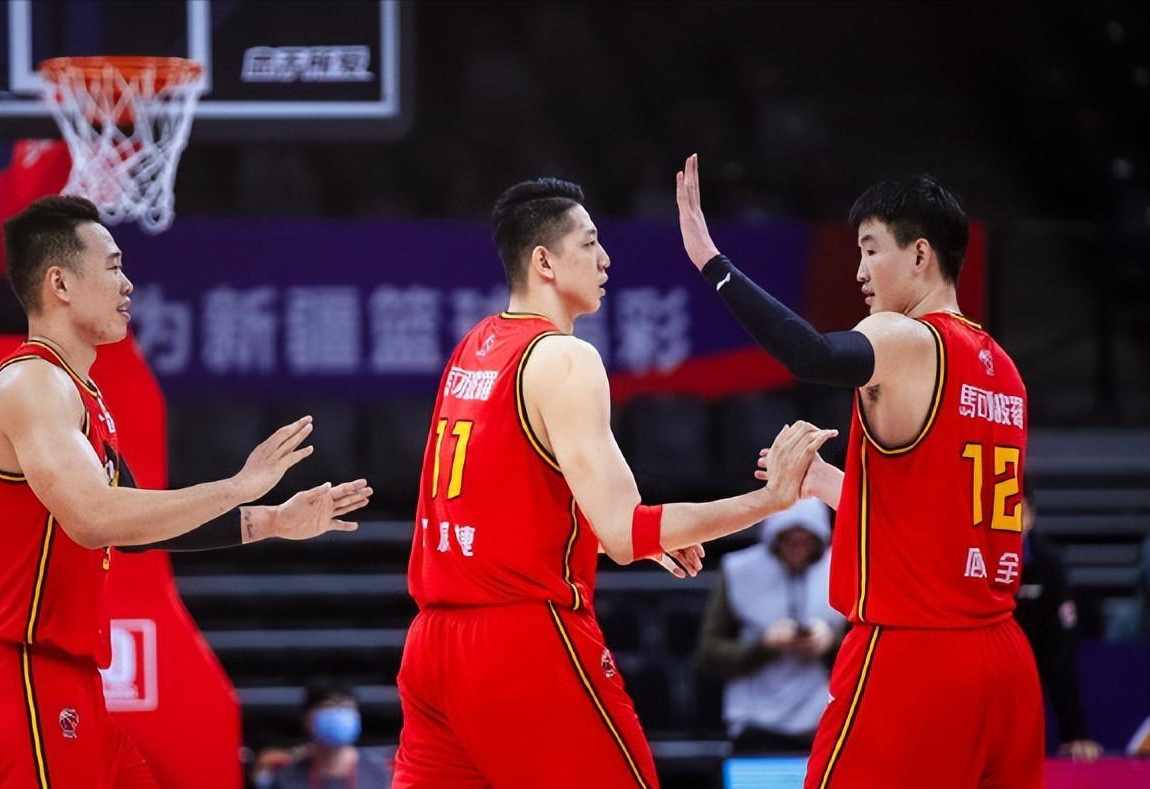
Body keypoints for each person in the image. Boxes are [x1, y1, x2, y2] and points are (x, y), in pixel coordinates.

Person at [392, 177, 837, 788]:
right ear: (544, 261)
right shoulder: (565, 358)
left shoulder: (474, 347)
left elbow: (504, 508)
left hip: (432, 646)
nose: (605, 259)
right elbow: (627, 532)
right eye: (590, 243)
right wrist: (770, 498)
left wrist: (617, 535)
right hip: (520, 640)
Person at [0, 196, 373, 788]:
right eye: (113, 266)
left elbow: (137, 530)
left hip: (67, 679)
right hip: (20, 674)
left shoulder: (79, 393)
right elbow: (94, 519)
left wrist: (270, 520)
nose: (128, 284)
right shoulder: (33, 384)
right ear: (60, 283)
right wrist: (237, 486)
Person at [676, 154, 1045, 788]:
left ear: (921, 254)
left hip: (915, 652)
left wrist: (712, 262)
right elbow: (932, 521)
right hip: (1004, 659)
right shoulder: (1002, 369)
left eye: (871, 250)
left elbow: (813, 354)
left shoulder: (908, 338)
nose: (859, 271)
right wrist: (824, 483)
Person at [696, 498, 845, 753]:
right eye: (789, 542)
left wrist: (830, 644)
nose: (797, 551)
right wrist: (764, 645)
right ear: (774, 539)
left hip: (823, 720)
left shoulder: (843, 567)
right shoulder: (739, 571)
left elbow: (869, 653)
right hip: (755, 722)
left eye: (806, 543)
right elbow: (708, 653)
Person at [1015, 490, 1102, 762]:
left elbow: (1060, 657)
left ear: (1031, 516)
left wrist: (1075, 732)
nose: (1009, 520)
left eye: (1018, 511)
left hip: (1026, 690)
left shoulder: (1049, 566)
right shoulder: (970, 560)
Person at [254, 679, 392, 789]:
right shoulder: (285, 779)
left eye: (346, 706)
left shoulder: (382, 776)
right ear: (306, 718)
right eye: (328, 706)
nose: (338, 713)